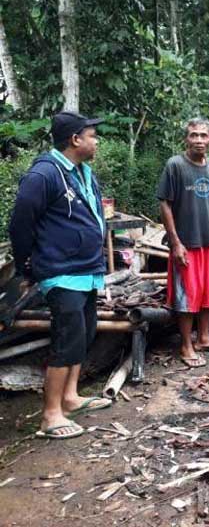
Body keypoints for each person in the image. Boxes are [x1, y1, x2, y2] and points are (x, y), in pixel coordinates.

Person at [9, 111, 112, 439]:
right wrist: (27, 264)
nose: (96, 141)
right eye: (92, 135)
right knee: (67, 339)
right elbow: (20, 222)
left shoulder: (82, 171)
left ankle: (70, 397)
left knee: (84, 333)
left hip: (86, 269)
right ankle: (50, 415)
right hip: (62, 271)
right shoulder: (44, 174)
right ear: (75, 139)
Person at [157, 118, 209, 368]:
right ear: (186, 139)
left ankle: (204, 338)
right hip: (186, 242)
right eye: (193, 135)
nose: (199, 140)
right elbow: (164, 203)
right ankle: (186, 345)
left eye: (203, 135)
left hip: (208, 240)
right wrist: (175, 242)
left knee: (208, 292)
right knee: (186, 296)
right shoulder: (175, 165)